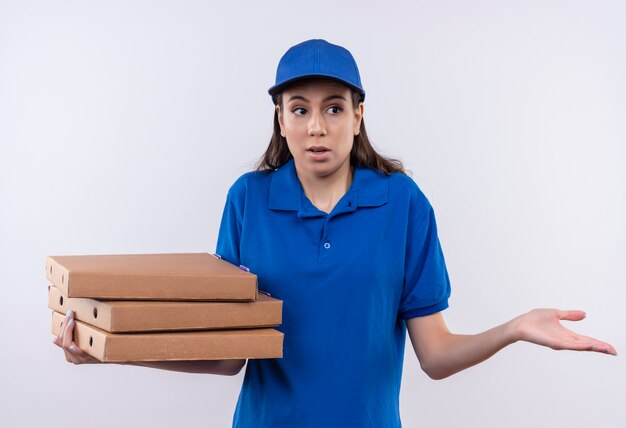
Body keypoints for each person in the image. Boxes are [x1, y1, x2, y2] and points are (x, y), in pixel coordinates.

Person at [54, 39, 617, 427]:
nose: (316, 126)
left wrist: (515, 328)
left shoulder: (402, 203)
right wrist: (109, 348)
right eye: (299, 109)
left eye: (333, 107)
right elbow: (228, 355)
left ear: (359, 114)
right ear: (280, 119)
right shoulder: (248, 199)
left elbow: (436, 355)